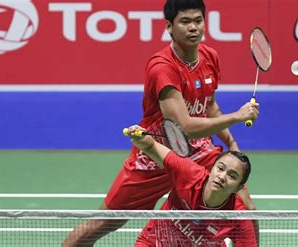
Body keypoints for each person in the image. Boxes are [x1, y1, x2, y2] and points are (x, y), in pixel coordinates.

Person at [63, 0, 259, 246]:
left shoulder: (210, 56)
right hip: (155, 153)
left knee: (248, 210)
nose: (193, 28)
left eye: (198, 21)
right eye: (185, 22)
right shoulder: (162, 67)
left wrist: (231, 142)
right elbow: (185, 126)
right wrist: (238, 116)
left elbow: (209, 105)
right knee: (104, 222)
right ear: (170, 26)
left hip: (199, 151)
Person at [125, 125, 257, 246]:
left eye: (232, 176)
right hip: (154, 242)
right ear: (211, 168)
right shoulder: (189, 174)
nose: (222, 177)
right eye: (220, 169)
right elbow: (150, 146)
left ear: (238, 188)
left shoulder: (237, 216)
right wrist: (142, 139)